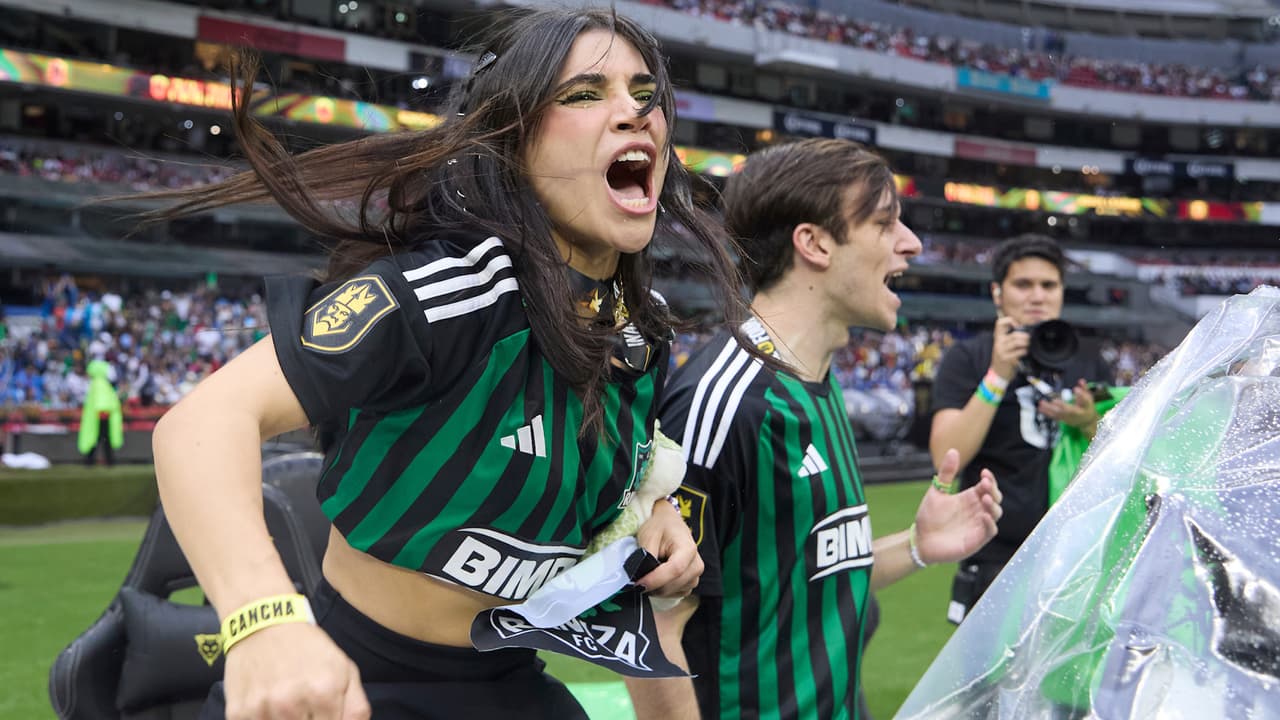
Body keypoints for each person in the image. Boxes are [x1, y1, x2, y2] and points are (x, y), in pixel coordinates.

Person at [148, 9, 770, 719]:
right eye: (584, 93)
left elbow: (593, 480)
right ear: (513, 143)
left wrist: (648, 518)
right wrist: (264, 623)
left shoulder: (640, 331)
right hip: (354, 683)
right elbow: (200, 424)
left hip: (511, 680)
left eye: (645, 93)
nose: (634, 112)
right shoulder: (447, 293)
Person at [625, 138, 1004, 720]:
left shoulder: (815, 385)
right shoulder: (723, 402)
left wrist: (917, 547)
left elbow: (802, 579)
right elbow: (653, 630)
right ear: (815, 243)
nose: (912, 243)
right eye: (885, 224)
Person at [929, 234, 1113, 624]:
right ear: (998, 293)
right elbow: (945, 455)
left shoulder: (1087, 359)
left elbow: (1117, 458)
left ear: (1061, 292)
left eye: (1049, 285)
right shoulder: (969, 357)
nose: (1037, 296)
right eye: (1023, 284)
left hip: (1074, 555)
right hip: (994, 558)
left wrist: (1088, 423)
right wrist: (997, 375)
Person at [79, 359, 124, 466]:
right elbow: (102, 400)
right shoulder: (101, 383)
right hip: (101, 416)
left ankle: (92, 461)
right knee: (103, 440)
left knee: (98, 440)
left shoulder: (97, 383)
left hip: (100, 416)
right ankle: (106, 461)